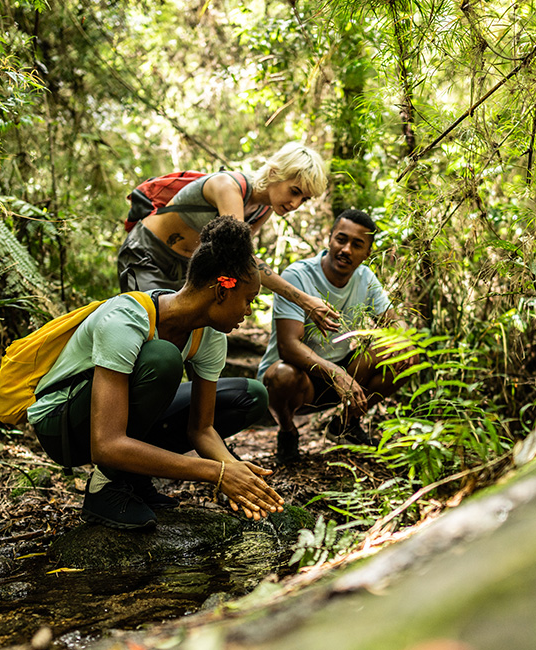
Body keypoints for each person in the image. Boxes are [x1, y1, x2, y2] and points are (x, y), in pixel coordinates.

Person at [27, 216, 284, 530]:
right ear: (220, 292)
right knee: (163, 359)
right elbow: (105, 444)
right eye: (248, 300)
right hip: (62, 424)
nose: (249, 310)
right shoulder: (127, 319)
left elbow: (201, 429)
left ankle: (132, 476)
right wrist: (213, 473)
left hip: (111, 423)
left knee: (251, 396)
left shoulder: (211, 334)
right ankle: (103, 489)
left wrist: (234, 470)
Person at [117, 141, 340, 336]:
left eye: (304, 199)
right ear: (274, 173)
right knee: (149, 327)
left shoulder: (264, 208)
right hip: (147, 255)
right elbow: (242, 257)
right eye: (294, 191)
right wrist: (304, 300)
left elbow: (240, 261)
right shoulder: (227, 186)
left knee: (183, 338)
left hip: (187, 269)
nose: (295, 204)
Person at [257, 209, 419, 463]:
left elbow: (394, 321)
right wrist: (336, 374)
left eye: (357, 244)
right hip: (299, 380)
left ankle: (345, 425)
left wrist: (402, 340)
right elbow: (288, 347)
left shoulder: (366, 277)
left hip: (342, 375)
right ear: (330, 238)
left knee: (408, 353)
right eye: (341, 239)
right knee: (283, 374)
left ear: (367, 253)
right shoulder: (298, 275)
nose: (346, 250)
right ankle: (287, 431)